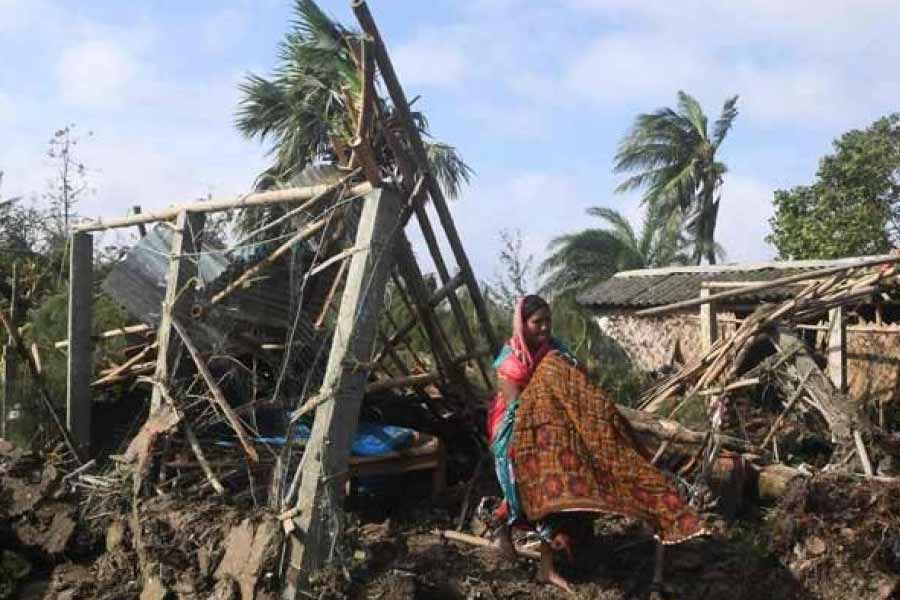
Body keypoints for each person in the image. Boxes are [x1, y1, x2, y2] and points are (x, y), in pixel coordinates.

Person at [487, 295, 707, 592]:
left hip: (554, 429)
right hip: (515, 433)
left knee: (577, 479)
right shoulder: (510, 363)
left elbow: (576, 387)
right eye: (537, 322)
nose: (544, 327)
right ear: (521, 325)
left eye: (547, 321)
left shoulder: (555, 353)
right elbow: (519, 412)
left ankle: (550, 557)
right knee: (542, 489)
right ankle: (524, 544)